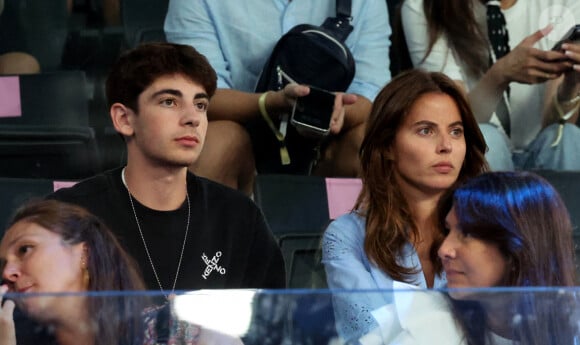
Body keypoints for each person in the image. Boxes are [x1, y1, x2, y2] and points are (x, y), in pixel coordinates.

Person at [48, 42, 286, 292]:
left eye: (201, 105)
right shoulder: (70, 216)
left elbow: (272, 321)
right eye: (169, 102)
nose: (192, 118)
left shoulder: (239, 217)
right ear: (124, 119)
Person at [321, 68, 489, 342]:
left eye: (456, 132)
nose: (446, 145)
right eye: (426, 130)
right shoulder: (346, 236)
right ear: (387, 145)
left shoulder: (488, 228)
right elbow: (373, 337)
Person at [164, 0, 392, 194]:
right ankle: (205, 245)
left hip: (327, 146)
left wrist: (325, 111)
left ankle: (353, 244)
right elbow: (197, 95)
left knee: (374, 144)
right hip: (242, 138)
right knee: (215, 143)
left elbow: (372, 93)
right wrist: (273, 103)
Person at [0, 199, 244, 345]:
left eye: (25, 249)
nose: (8, 272)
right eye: (3, 265)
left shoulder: (181, 331)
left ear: (84, 253)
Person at [400, 0, 580, 170]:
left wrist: (570, 84)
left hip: (537, 150)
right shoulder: (426, 6)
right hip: (478, 151)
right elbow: (452, 125)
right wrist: (499, 75)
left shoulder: (564, 4)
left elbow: (554, 129)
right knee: (486, 140)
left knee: (568, 137)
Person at [437, 171, 577, 345]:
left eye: (467, 233)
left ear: (519, 245)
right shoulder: (426, 324)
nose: (443, 250)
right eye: (448, 231)